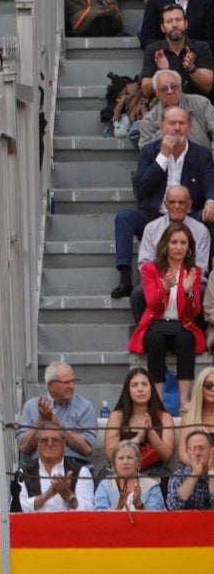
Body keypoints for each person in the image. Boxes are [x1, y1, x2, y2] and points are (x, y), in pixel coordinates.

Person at [112, 109, 214, 298]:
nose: (176, 128)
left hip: (188, 215)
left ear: (189, 128)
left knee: (211, 217)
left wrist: (211, 200)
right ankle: (125, 278)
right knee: (124, 218)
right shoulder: (149, 152)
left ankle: (204, 276)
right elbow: (142, 189)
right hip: (153, 215)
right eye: (172, 123)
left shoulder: (201, 154)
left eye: (181, 124)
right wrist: (163, 157)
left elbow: (210, 182)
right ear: (162, 127)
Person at [129, 225, 204, 409]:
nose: (178, 247)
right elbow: (152, 304)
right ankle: (159, 401)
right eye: (174, 242)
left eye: (183, 243)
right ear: (165, 245)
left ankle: (184, 401)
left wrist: (188, 293)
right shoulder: (150, 269)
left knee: (187, 340)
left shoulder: (193, 270)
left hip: (181, 326)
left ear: (189, 247)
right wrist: (164, 288)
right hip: (155, 326)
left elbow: (194, 312)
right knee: (155, 341)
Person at [102, 367, 175, 479]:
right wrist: (137, 439)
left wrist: (150, 432)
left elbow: (166, 457)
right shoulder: (117, 416)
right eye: (135, 385)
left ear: (152, 388)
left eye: (144, 384)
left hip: (154, 472)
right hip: (122, 471)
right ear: (128, 390)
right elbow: (110, 455)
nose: (140, 389)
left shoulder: (165, 417)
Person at [20, 423, 95, 512]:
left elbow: (89, 511)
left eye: (55, 440)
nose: (50, 444)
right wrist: (47, 495)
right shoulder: (24, 473)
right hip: (35, 525)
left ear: (63, 443)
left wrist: (67, 495)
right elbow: (17, 508)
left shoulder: (81, 472)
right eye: (44, 440)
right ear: (38, 443)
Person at [93, 441, 165, 512]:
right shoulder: (105, 485)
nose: (125, 462)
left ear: (138, 462)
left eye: (130, 458)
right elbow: (98, 516)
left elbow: (158, 518)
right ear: (114, 464)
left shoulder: (152, 485)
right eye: (121, 458)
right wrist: (118, 506)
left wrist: (140, 505)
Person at [169, 430, 214, 510]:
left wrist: (211, 473)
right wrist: (194, 475)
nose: (197, 453)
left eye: (202, 448)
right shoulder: (178, 475)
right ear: (187, 452)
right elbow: (173, 507)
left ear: (211, 451)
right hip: (185, 522)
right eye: (193, 448)